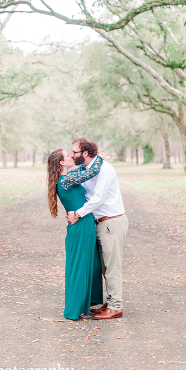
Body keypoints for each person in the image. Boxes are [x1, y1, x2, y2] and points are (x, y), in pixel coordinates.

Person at [66, 137, 128, 320]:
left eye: (74, 152)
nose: (71, 155)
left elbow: (98, 198)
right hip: (100, 223)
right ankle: (109, 302)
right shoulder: (86, 170)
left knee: (112, 267)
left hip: (112, 222)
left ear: (85, 153)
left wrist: (78, 214)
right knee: (103, 267)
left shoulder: (105, 169)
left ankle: (116, 306)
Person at [46, 149, 105, 321]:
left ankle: (88, 305)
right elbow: (92, 171)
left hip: (82, 223)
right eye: (68, 155)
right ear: (62, 163)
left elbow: (82, 169)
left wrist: (86, 159)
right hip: (80, 225)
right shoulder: (65, 181)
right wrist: (99, 158)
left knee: (90, 264)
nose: (72, 156)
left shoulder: (67, 177)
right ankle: (76, 309)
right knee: (80, 266)